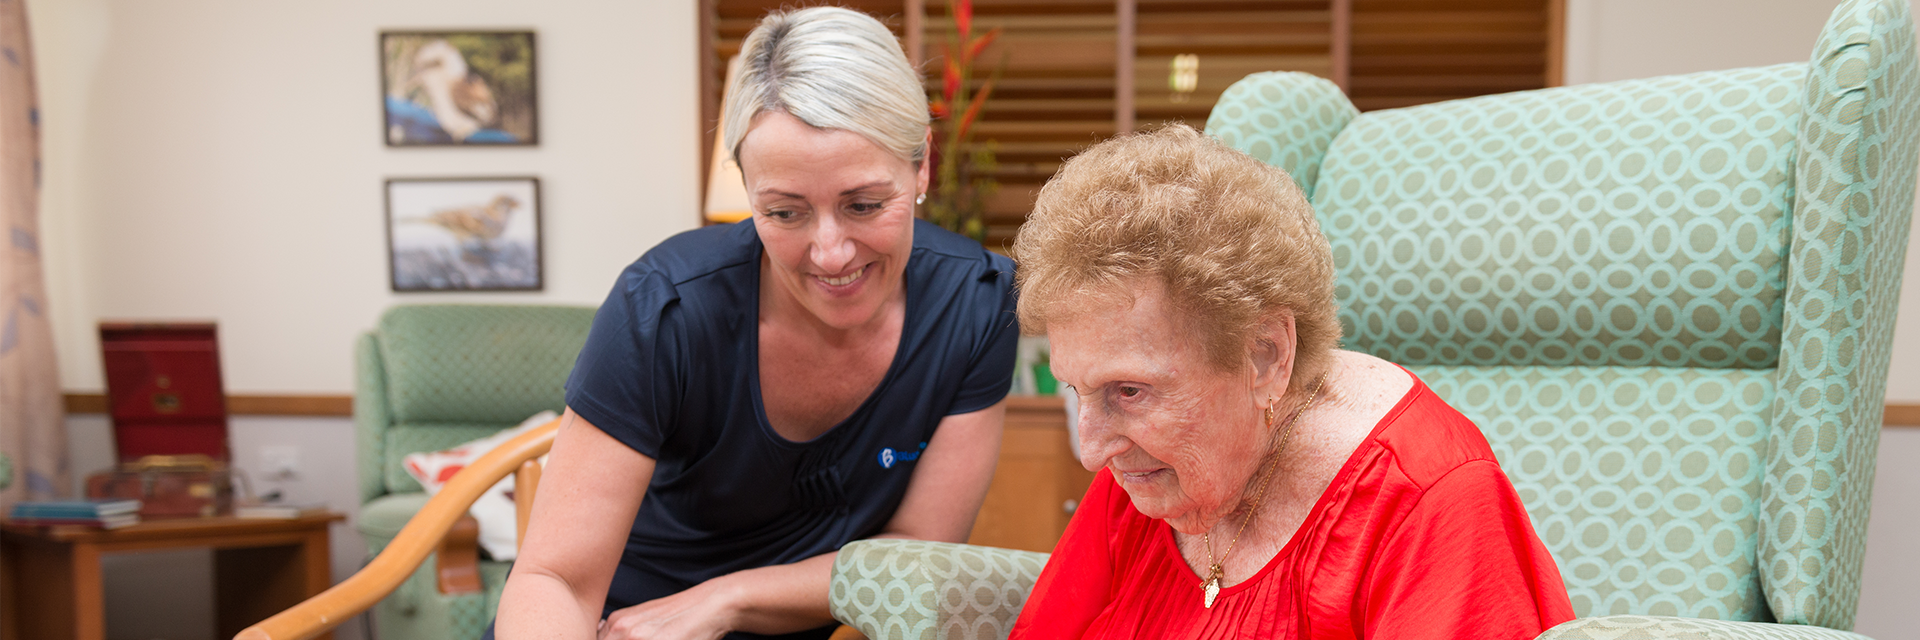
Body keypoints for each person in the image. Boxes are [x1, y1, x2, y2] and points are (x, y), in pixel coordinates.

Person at [495, 7, 1018, 640]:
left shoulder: (977, 304)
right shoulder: (666, 309)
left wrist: (728, 599)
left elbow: (913, 554)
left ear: (922, 168)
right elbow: (555, 581)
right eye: (785, 213)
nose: (830, 253)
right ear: (748, 189)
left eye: (864, 205)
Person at [1007, 125, 1573, 639]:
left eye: (1128, 392)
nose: (1091, 450)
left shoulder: (1427, 498)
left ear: (1265, 355)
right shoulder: (1151, 468)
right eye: (1076, 389)